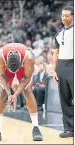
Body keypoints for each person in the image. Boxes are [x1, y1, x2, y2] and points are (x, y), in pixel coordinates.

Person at [0, 43, 43, 142]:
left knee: (27, 91)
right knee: (2, 93)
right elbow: (1, 76)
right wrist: (10, 94)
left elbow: (27, 78)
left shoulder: (29, 58)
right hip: (6, 71)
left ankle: (36, 128)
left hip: (23, 69)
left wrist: (16, 94)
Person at [52, 6, 74, 138]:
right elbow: (55, 53)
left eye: (67, 15)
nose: (64, 18)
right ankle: (69, 129)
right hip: (61, 65)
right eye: (63, 15)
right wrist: (54, 70)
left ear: (73, 16)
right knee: (64, 99)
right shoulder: (59, 34)